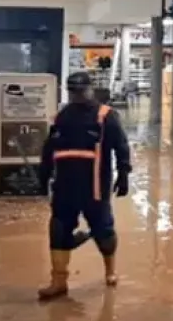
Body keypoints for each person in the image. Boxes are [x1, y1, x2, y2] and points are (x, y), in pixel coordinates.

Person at [37, 71, 133, 300]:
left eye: (81, 91)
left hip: (95, 188)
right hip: (64, 187)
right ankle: (58, 281)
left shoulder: (105, 116)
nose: (77, 95)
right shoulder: (62, 117)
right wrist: (43, 175)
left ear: (90, 89)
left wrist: (124, 174)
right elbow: (49, 149)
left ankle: (110, 271)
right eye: (73, 91)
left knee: (104, 232)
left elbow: (121, 146)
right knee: (58, 231)